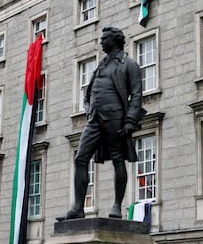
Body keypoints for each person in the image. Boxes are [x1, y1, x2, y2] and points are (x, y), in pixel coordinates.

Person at [57, 26, 146, 221]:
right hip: (95, 118)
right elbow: (89, 93)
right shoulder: (101, 66)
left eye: (104, 38)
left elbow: (137, 94)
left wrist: (130, 120)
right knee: (80, 158)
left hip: (116, 117)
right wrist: (89, 109)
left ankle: (116, 206)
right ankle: (78, 208)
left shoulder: (128, 64)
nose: (101, 42)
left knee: (117, 158)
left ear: (114, 40)